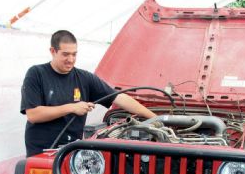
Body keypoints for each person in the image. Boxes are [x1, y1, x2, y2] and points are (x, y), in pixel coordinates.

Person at [20, 30, 156, 156]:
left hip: (72, 151)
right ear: (53, 51)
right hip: (42, 152)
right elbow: (33, 114)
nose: (71, 59)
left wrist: (156, 119)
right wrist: (72, 107)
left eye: (74, 54)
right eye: (65, 54)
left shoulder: (84, 78)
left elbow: (119, 98)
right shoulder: (36, 74)